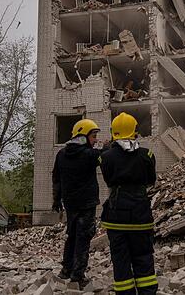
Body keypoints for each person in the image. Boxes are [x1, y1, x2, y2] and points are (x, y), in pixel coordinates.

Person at [100, 112, 158, 294]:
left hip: (116, 217)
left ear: (113, 132)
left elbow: (109, 181)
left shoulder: (106, 157)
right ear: (135, 131)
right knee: (144, 259)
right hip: (141, 215)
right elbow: (151, 180)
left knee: (121, 261)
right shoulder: (147, 154)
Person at [52, 118, 102, 287]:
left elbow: (56, 179)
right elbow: (107, 154)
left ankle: (65, 270)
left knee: (72, 236)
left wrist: (56, 200)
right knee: (84, 237)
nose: (95, 140)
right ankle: (78, 277)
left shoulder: (61, 154)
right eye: (93, 136)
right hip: (87, 204)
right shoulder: (89, 154)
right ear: (83, 135)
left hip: (70, 204)